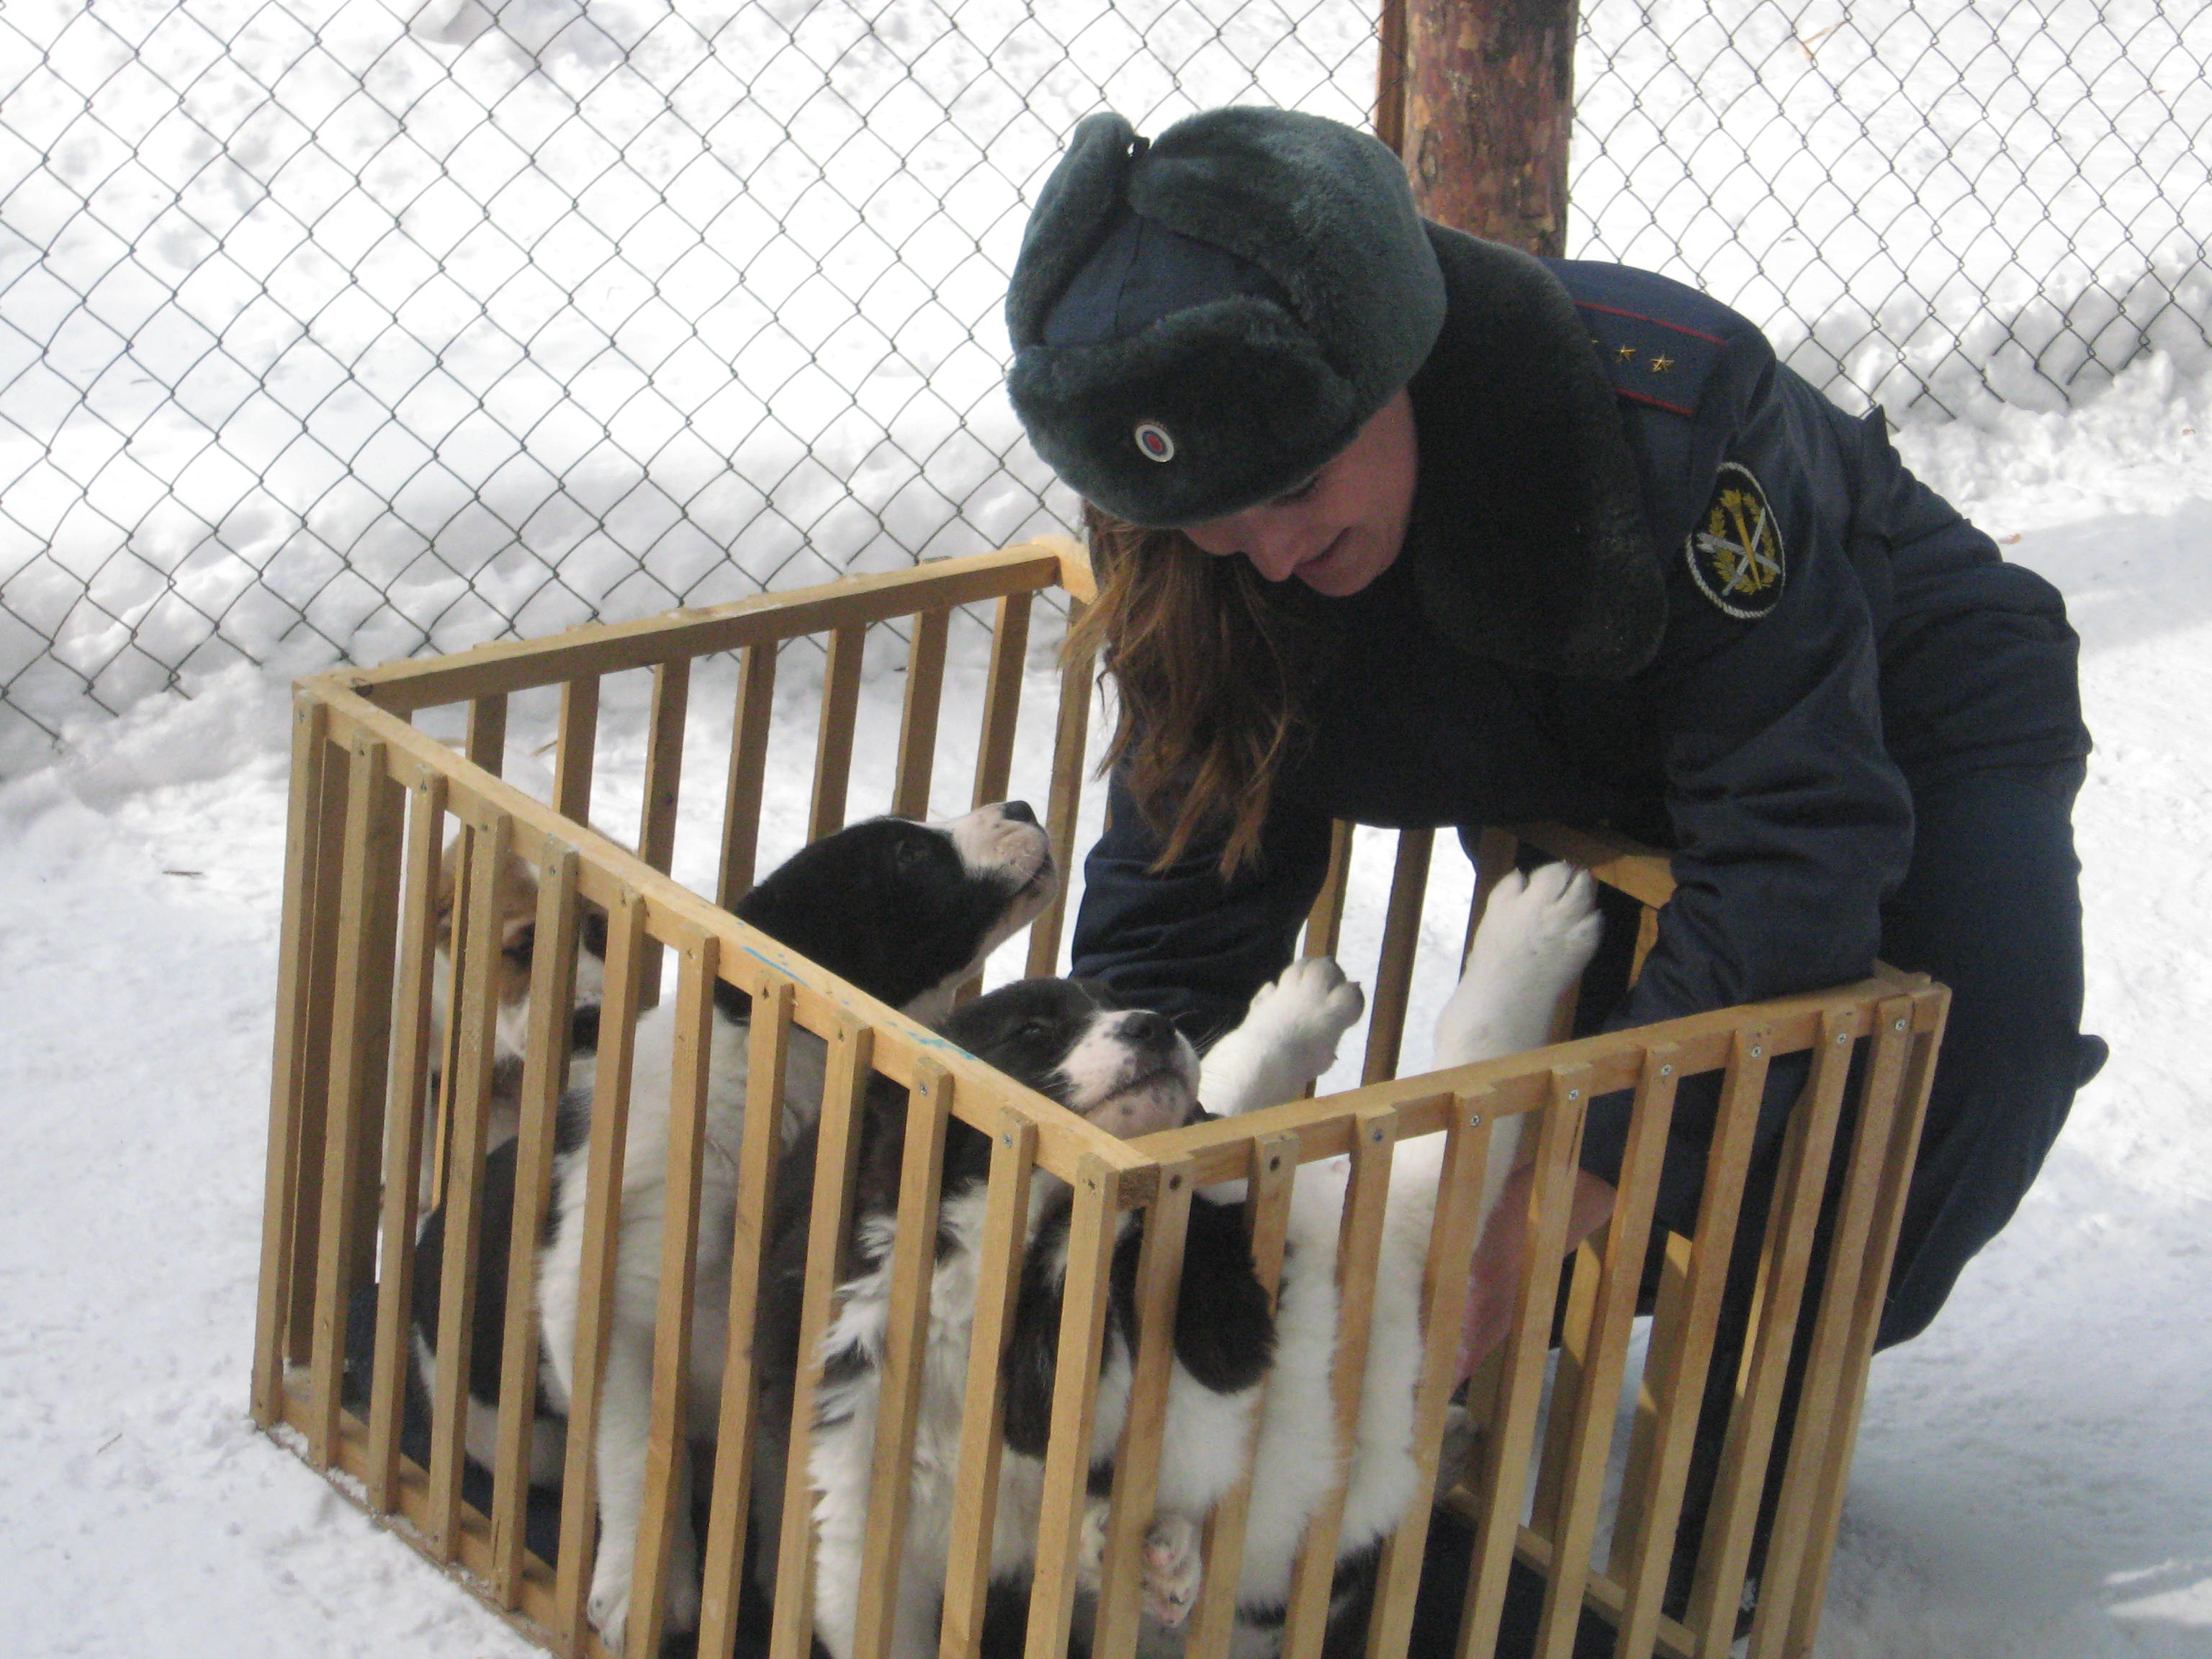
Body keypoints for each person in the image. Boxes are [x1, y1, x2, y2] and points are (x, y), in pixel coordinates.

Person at [1002, 104, 2104, 1642]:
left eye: (1300, 480)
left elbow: (1796, 839)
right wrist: (1113, 1173)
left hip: (1892, 713)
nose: (1261, 545)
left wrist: (1532, 1227)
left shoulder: (1660, 416)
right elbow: (1193, 870)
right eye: (1209, 512)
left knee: (1941, 1069)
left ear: (1395, 364)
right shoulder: (1215, 532)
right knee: (1594, 1108)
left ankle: (1757, 1381)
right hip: (1585, 760)